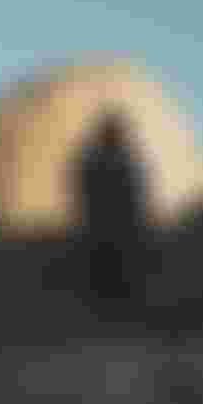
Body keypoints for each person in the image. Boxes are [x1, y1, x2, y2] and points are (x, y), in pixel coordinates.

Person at [74, 111, 150, 312]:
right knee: (106, 267)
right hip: (106, 227)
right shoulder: (109, 161)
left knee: (112, 267)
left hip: (112, 228)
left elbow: (136, 193)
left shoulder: (111, 161)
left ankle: (112, 305)